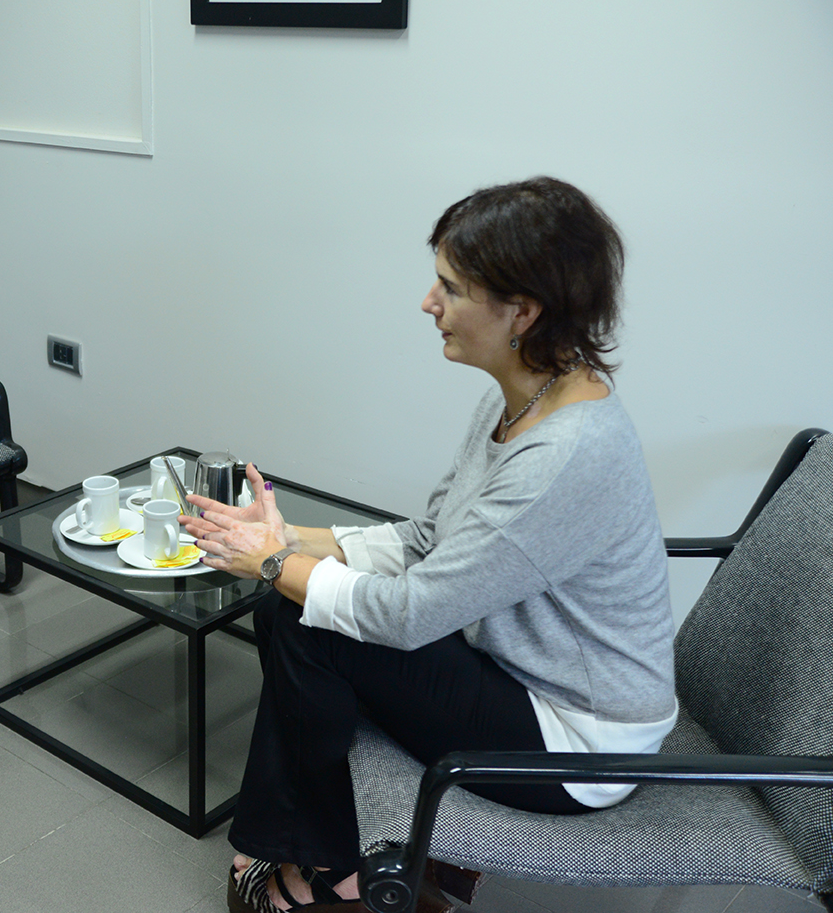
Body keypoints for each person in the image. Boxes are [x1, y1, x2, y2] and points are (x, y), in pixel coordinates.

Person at [181, 177, 678, 913]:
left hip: (577, 742)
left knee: (300, 614)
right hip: (519, 677)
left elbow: (412, 614)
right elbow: (429, 539)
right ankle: (322, 850)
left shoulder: (563, 456)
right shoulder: (527, 399)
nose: (428, 302)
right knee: (289, 605)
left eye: (451, 287)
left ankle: (329, 868)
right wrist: (286, 538)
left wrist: (277, 563)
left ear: (522, 311)